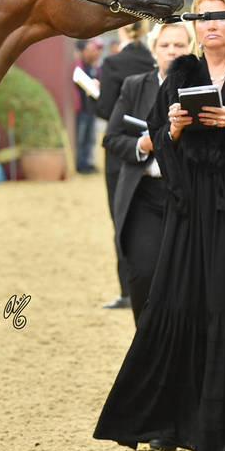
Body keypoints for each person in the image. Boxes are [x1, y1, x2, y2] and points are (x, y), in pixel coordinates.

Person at [94, 0, 225, 451]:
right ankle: (169, 423)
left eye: (219, 18)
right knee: (179, 301)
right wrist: (174, 129)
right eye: (202, 19)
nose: (210, 26)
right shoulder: (181, 73)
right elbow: (159, 134)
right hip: (189, 206)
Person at [103, 22, 190, 324]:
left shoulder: (201, 88)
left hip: (187, 195)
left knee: (183, 278)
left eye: (179, 46)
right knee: (141, 273)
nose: (172, 52)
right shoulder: (134, 86)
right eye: (165, 46)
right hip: (143, 194)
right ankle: (145, 339)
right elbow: (111, 138)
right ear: (154, 50)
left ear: (192, 50)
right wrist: (144, 143)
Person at [95, 20, 155, 309]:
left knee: (122, 219)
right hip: (159, 148)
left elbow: (106, 109)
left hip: (122, 150)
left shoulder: (114, 63)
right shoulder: (153, 58)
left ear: (122, 31)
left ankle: (127, 291)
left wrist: (95, 91)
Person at [74, 38, 102, 174]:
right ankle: (80, 164)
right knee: (80, 138)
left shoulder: (93, 67)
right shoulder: (78, 67)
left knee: (91, 138)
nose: (93, 53)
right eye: (90, 50)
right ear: (83, 51)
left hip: (92, 109)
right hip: (81, 110)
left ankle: (88, 163)